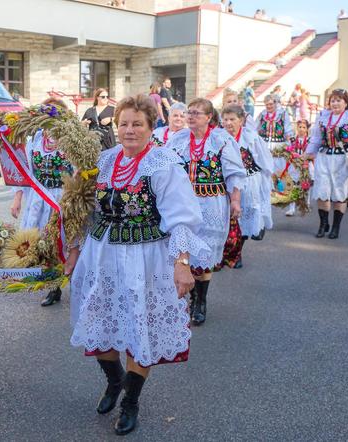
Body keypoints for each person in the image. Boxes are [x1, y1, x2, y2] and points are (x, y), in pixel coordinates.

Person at [68, 94, 208, 436]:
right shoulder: (103, 161)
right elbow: (82, 208)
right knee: (99, 322)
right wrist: (73, 250)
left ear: (151, 127)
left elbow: (182, 218)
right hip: (102, 257)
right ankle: (115, 381)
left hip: (146, 260)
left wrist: (182, 263)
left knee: (139, 329)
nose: (129, 131)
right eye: (123, 124)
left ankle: (131, 401)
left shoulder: (162, 164)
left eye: (137, 124)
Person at [171, 98, 246, 325]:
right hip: (183, 203)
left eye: (196, 113)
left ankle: (200, 301)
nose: (190, 116)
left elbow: (234, 173)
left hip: (211, 204)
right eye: (189, 112)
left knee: (203, 254)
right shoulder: (178, 139)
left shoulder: (221, 140)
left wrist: (235, 200)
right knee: (184, 252)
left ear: (209, 117)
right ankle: (189, 297)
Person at [11, 97, 74, 306]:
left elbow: (80, 171)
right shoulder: (36, 139)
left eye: (54, 114)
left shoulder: (70, 140)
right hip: (38, 198)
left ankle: (73, 278)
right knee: (41, 241)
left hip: (60, 197)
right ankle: (52, 287)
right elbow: (26, 171)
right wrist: (18, 197)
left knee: (63, 241)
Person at [306, 89, 348, 239]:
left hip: (343, 159)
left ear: (345, 102)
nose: (335, 103)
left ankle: (335, 227)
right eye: (332, 100)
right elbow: (316, 139)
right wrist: (307, 154)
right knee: (322, 191)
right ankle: (323, 224)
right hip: (324, 157)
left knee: (340, 194)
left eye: (338, 100)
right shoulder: (323, 117)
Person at [220, 105, 273, 269]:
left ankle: (237, 253)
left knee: (242, 217)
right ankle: (223, 252)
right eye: (226, 119)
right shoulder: (218, 137)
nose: (228, 123)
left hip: (249, 182)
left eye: (232, 119)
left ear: (241, 121)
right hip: (225, 183)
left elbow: (264, 162)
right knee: (225, 219)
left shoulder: (251, 137)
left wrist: (266, 183)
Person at [257, 94, 295, 214]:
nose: (268, 106)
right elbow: (254, 129)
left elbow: (288, 130)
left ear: (276, 103)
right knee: (265, 175)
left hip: (279, 147)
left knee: (283, 175)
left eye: (271, 104)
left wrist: (290, 147)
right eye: (266, 104)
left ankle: (291, 205)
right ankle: (266, 203)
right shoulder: (262, 115)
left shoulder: (283, 114)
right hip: (265, 148)